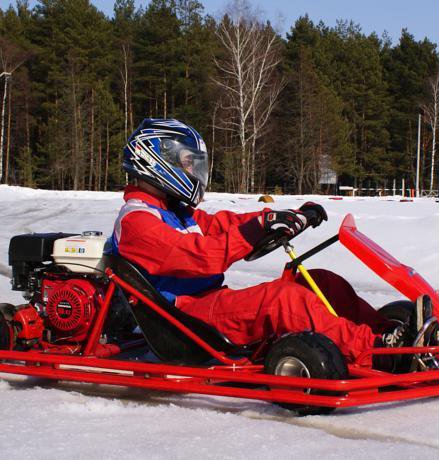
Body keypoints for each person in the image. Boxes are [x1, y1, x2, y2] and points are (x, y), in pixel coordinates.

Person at [106, 118, 406, 363]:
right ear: (156, 161)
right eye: (186, 163)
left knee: (321, 282)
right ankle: (377, 352)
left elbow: (226, 224)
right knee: (284, 302)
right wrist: (254, 231)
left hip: (208, 305)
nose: (192, 171)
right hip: (182, 320)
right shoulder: (138, 221)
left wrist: (280, 216)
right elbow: (200, 256)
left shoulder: (176, 212)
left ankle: (391, 333)